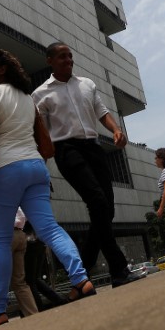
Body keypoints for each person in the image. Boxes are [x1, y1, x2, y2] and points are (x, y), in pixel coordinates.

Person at [0, 48, 97, 328]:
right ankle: (81, 280)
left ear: (1, 69)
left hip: (4, 170)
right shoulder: (27, 99)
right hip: (35, 168)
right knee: (50, 229)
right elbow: (47, 147)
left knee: (0, 242)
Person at [32, 42, 142, 288]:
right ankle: (119, 270)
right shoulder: (40, 94)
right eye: (62, 57)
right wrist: (41, 166)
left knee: (106, 211)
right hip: (66, 150)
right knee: (97, 202)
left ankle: (81, 271)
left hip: (93, 147)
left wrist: (115, 130)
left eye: (70, 56)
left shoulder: (87, 84)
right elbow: (40, 134)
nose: (68, 60)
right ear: (50, 60)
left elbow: (101, 111)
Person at [9, 208, 38, 317]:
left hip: (5, 234)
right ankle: (33, 314)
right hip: (21, 234)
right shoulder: (19, 197)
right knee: (20, 282)